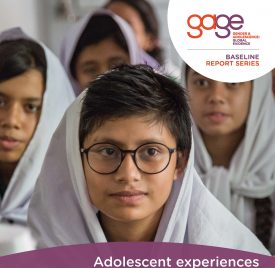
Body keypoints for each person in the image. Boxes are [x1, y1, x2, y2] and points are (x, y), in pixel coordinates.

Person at [28, 64, 268, 254]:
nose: (128, 174)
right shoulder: (35, 261)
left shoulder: (235, 265)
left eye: (150, 152)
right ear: (75, 159)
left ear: (180, 163)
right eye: (108, 151)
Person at [183, 64, 275, 253]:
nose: (216, 96)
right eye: (201, 82)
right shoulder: (165, 168)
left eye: (233, 82)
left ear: (259, 89)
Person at [0, 27, 74, 250]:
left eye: (31, 107)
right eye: (0, 102)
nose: (12, 120)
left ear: (52, 115)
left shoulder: (74, 206)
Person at [60, 9, 159, 95]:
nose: (104, 77)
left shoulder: (158, 113)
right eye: (91, 70)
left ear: (134, 62)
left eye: (117, 65)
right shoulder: (63, 115)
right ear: (73, 76)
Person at [104, 0, 181, 79]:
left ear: (150, 40)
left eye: (127, 27)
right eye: (108, 25)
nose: (112, 37)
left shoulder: (175, 83)